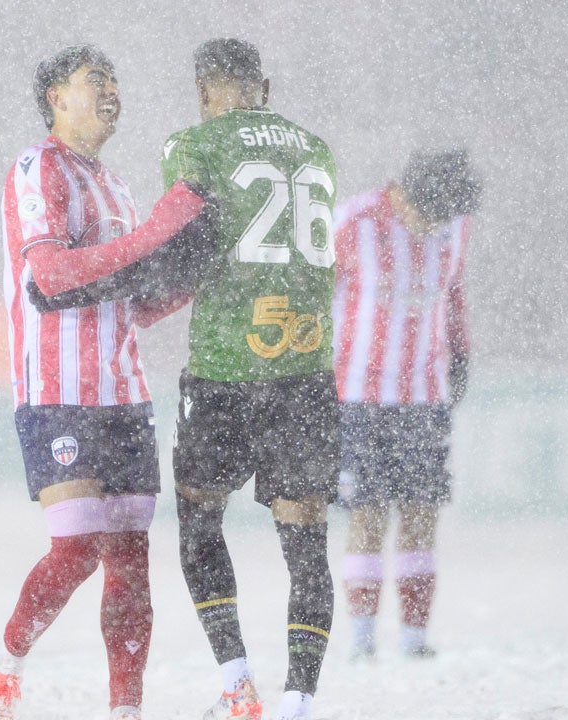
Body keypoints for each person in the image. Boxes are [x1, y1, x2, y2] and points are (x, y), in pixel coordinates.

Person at [0, 45, 214, 720]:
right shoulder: (36, 167)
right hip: (57, 390)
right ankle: (4, 663)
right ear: (56, 97)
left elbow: (132, 301)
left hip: (124, 393)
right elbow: (51, 277)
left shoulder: (115, 185)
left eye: (115, 79)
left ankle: (125, 710)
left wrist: (195, 271)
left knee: (132, 567)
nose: (110, 90)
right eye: (93, 80)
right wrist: (160, 231)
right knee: (77, 549)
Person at [164, 38, 341, 720]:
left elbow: (181, 242)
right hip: (304, 367)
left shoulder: (194, 145)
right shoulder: (317, 148)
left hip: (225, 367)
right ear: (263, 86)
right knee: (305, 535)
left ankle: (238, 685)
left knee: (200, 517)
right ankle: (298, 702)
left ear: (204, 91)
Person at [331, 149, 481, 660]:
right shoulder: (354, 221)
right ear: (404, 195)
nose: (431, 228)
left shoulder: (453, 227)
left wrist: (459, 353)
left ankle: (416, 640)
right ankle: (362, 641)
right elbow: (312, 295)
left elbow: (453, 293)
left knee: (421, 514)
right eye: (426, 217)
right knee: (367, 516)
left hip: (424, 395)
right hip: (358, 396)